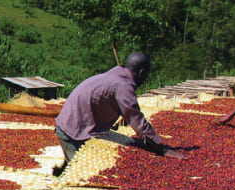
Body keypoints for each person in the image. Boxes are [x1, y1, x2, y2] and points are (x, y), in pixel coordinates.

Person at [55, 52, 186, 166]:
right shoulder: (123, 86)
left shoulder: (117, 76)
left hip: (82, 126)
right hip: (72, 132)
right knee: (79, 173)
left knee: (133, 144)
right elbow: (136, 119)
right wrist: (161, 149)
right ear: (141, 72)